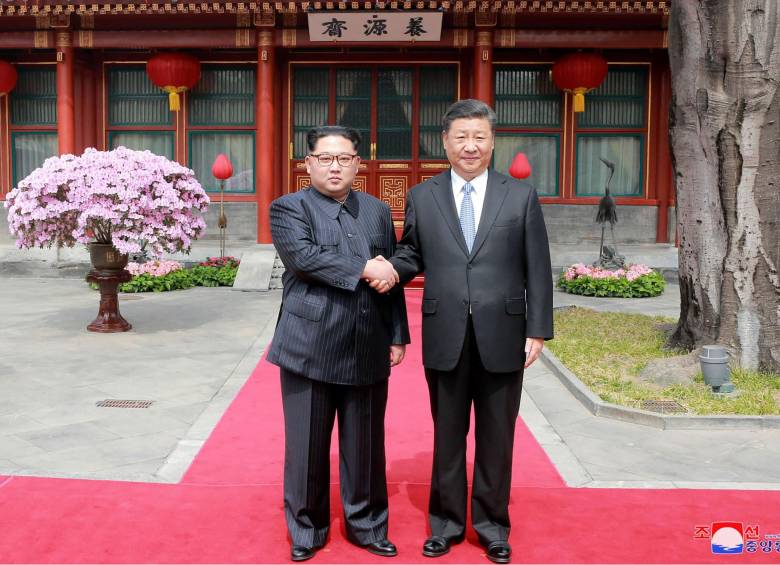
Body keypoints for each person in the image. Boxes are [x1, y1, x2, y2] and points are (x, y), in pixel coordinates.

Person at [374, 99, 553, 564]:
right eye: (461, 137)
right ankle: (446, 525)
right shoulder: (423, 195)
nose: (470, 146)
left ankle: (493, 526)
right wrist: (389, 268)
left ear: (492, 142)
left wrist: (538, 329)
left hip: (504, 332)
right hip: (446, 330)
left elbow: (539, 267)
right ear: (445, 142)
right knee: (448, 435)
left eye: (479, 137)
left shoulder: (520, 196)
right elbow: (412, 252)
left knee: (498, 436)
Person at [268, 125, 410, 562]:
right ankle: (307, 529)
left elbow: (393, 276)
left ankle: (367, 525)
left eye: (344, 158)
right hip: (309, 343)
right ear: (307, 163)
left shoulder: (378, 211)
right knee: (307, 445)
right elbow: (305, 257)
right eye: (325, 158)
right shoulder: (288, 208)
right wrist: (368, 268)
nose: (335, 166)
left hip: (367, 340)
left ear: (357, 164)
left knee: (366, 444)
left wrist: (397, 333)